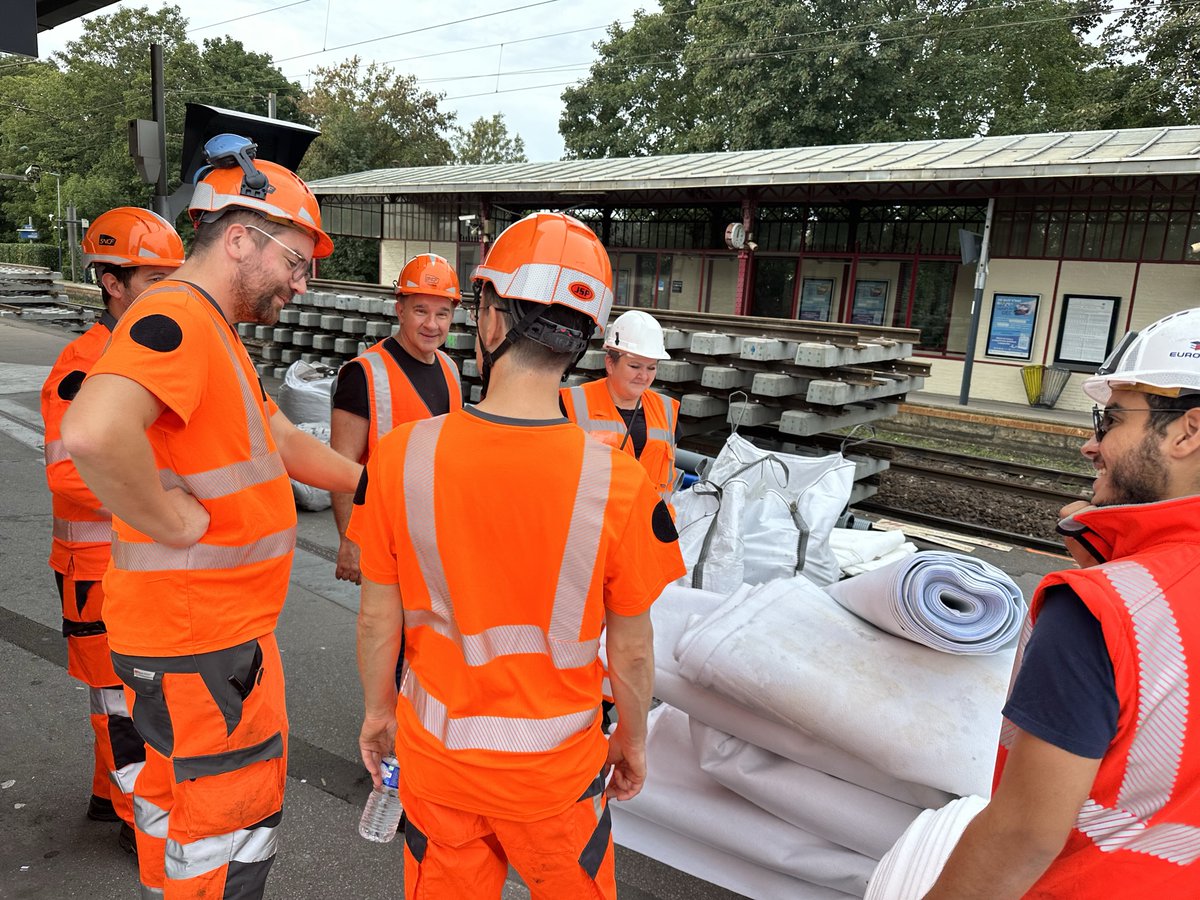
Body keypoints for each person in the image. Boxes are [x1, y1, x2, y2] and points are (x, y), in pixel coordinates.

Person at [60, 137, 363, 900]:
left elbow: (283, 439)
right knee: (228, 831)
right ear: (238, 238)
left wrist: (379, 480)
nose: (301, 283)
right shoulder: (182, 318)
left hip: (195, 641)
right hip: (205, 645)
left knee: (178, 818)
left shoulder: (211, 331)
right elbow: (93, 431)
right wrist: (166, 519)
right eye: (295, 262)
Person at [351, 211, 686, 899]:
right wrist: (633, 739)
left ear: (491, 321)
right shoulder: (620, 485)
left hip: (438, 770)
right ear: (586, 340)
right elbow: (632, 649)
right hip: (556, 784)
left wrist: (379, 710)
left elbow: (375, 617)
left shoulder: (400, 458)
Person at [925, 308, 1200, 899]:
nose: (1090, 444)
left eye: (1110, 419)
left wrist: (1113, 574)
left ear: (1187, 432)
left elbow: (1022, 834)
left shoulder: (1099, 609)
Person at [40, 207, 184, 854]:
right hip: (94, 570)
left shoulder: (145, 354)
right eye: (152, 280)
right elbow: (69, 476)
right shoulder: (83, 366)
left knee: (120, 696)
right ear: (111, 283)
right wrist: (161, 493)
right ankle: (139, 824)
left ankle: (108, 795)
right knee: (123, 705)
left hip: (128, 567)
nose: (168, 295)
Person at [330, 253, 462, 585]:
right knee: (386, 635)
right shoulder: (364, 373)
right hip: (383, 540)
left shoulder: (450, 369)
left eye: (442, 314)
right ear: (399, 309)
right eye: (421, 311)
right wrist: (349, 539)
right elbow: (340, 464)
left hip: (436, 537)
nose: (432, 324)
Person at [560, 309, 679, 508]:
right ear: (610, 363)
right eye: (635, 366)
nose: (644, 376)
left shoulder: (666, 410)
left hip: (650, 530)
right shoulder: (571, 404)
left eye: (651, 368)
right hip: (595, 528)